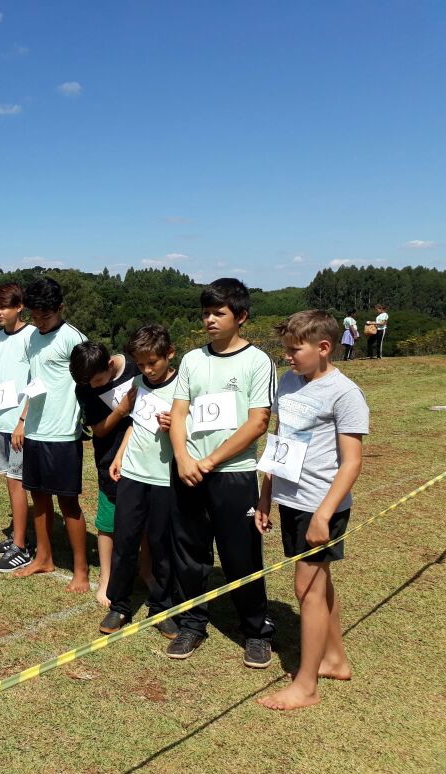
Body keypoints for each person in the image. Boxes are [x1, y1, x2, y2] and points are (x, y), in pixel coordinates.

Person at [255, 310, 368, 710]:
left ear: (323, 348)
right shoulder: (288, 382)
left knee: (307, 589)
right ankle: (335, 660)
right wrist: (266, 494)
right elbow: (281, 441)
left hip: (321, 505)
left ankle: (306, 685)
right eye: (284, 349)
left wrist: (323, 514)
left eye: (294, 349)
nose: (286, 356)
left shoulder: (345, 393)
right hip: (292, 499)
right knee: (317, 585)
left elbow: (352, 461)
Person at [167, 277, 276, 666]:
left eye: (219, 312)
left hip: (233, 473)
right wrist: (182, 457)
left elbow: (257, 422)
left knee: (240, 554)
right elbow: (179, 411)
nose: (210, 320)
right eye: (206, 313)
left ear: (241, 317)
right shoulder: (193, 360)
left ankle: (256, 631)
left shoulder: (257, 361)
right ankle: (192, 624)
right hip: (188, 471)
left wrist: (211, 461)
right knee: (190, 554)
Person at [11, 278, 91, 593]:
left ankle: (81, 570)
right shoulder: (32, 338)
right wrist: (22, 420)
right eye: (34, 315)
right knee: (38, 497)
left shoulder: (74, 340)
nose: (39, 320)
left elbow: (91, 382)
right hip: (35, 430)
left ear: (60, 308)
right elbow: (35, 381)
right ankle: (43, 558)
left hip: (63, 433)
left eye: (46, 315)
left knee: (68, 502)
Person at [99, 324, 179, 640]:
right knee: (125, 540)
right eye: (141, 363)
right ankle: (119, 604)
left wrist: (177, 424)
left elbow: (195, 429)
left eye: (153, 363)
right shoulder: (137, 383)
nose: (147, 369)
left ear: (169, 354)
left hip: (164, 478)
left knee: (161, 544)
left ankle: (161, 607)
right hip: (133, 473)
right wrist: (120, 455)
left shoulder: (183, 387)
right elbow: (135, 424)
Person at [70, 341, 139, 604]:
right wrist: (121, 410)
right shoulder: (85, 387)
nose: (94, 386)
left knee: (146, 518)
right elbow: (97, 430)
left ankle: (146, 571)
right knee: (108, 521)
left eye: (98, 380)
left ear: (110, 364)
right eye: (88, 382)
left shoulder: (136, 367)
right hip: (109, 458)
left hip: (146, 455)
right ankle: (106, 578)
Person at [0, 283, 36, 573]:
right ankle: (18, 534)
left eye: (3, 307)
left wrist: (22, 421)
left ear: (19, 307)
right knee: (9, 481)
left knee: (18, 483)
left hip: (19, 425)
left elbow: (35, 383)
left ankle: (21, 547)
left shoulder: (32, 337)